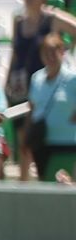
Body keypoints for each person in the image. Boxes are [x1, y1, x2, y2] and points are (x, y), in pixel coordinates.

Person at [7, 0, 53, 173]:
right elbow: (15, 53)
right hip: (20, 83)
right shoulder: (18, 21)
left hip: (44, 83)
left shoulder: (51, 19)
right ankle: (24, 179)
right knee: (22, 135)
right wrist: (7, 80)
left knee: (41, 130)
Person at [28, 32, 76, 180]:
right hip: (42, 144)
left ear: (61, 52)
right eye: (45, 53)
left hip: (67, 144)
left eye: (53, 52)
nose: (49, 57)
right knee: (46, 189)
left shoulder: (72, 79)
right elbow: (32, 108)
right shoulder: (36, 78)